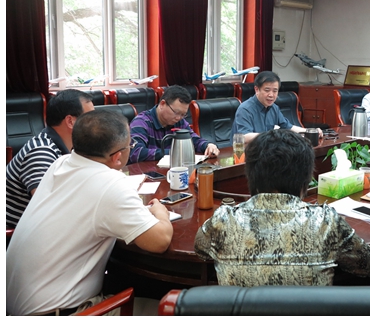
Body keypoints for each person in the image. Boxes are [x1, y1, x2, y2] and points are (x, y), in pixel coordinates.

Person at [7, 110, 173, 316]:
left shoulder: (59, 163)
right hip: (62, 312)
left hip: (12, 305)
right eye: (130, 145)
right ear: (118, 157)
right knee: (173, 308)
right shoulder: (111, 185)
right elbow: (160, 241)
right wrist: (161, 213)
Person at [195, 129, 370, 286]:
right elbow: (368, 264)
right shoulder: (326, 221)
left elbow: (201, 250)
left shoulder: (223, 220)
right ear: (305, 181)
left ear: (251, 176)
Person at [6, 89, 94, 229]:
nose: (96, 124)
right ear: (70, 121)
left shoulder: (70, 148)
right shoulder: (41, 151)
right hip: (16, 235)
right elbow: (48, 207)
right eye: (90, 118)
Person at [129, 85, 219, 163]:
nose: (179, 118)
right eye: (176, 112)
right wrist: (172, 153)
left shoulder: (179, 122)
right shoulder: (141, 122)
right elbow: (136, 153)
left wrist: (208, 145)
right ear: (162, 104)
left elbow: (193, 140)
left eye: (183, 114)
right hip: (147, 174)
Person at [231, 71, 322, 143]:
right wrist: (273, 135)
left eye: (275, 91)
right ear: (257, 90)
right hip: (244, 154)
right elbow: (244, 137)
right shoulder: (245, 109)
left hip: (265, 151)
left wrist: (310, 131)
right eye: (267, 90)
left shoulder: (274, 108)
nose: (271, 95)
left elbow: (288, 127)